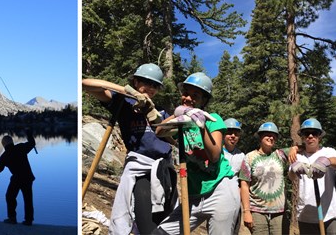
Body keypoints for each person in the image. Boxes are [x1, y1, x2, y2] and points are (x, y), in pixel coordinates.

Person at [82, 63, 177, 235]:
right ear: (135, 81)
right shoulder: (123, 102)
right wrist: (128, 92)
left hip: (165, 170)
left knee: (165, 222)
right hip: (140, 168)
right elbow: (86, 83)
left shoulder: (161, 111)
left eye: (155, 85)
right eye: (146, 82)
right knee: (147, 225)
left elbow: (170, 138)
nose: (151, 88)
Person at [153, 72, 239, 235]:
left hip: (219, 190)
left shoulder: (213, 119)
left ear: (203, 101)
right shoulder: (180, 123)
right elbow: (159, 131)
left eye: (195, 95)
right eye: (186, 93)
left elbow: (214, 155)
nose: (188, 98)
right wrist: (178, 113)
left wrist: (201, 126)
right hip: (193, 194)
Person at [288, 118, 336, 235]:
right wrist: (294, 169)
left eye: (315, 133)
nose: (310, 136)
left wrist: (326, 161)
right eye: (306, 133)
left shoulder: (329, 151)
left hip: (330, 213)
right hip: (306, 215)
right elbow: (291, 177)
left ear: (320, 136)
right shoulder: (298, 156)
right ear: (302, 137)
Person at [239, 122, 288, 234]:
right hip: (257, 211)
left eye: (273, 135)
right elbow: (244, 185)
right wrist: (246, 212)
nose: (270, 137)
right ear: (260, 137)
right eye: (267, 134)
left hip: (278, 212)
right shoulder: (249, 157)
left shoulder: (279, 155)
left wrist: (295, 149)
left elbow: (298, 149)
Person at [0, 130, 36, 226]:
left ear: (3, 145)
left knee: (10, 197)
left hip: (17, 179)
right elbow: (32, 143)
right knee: (28, 199)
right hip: (27, 177)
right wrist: (29, 134)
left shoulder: (4, 156)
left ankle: (12, 218)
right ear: (12, 141)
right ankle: (28, 220)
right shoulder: (21, 147)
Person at [223, 118, 246, 234]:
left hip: (235, 202)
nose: (233, 136)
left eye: (236, 133)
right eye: (229, 133)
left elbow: (244, 181)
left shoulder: (242, 156)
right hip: (219, 201)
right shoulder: (216, 153)